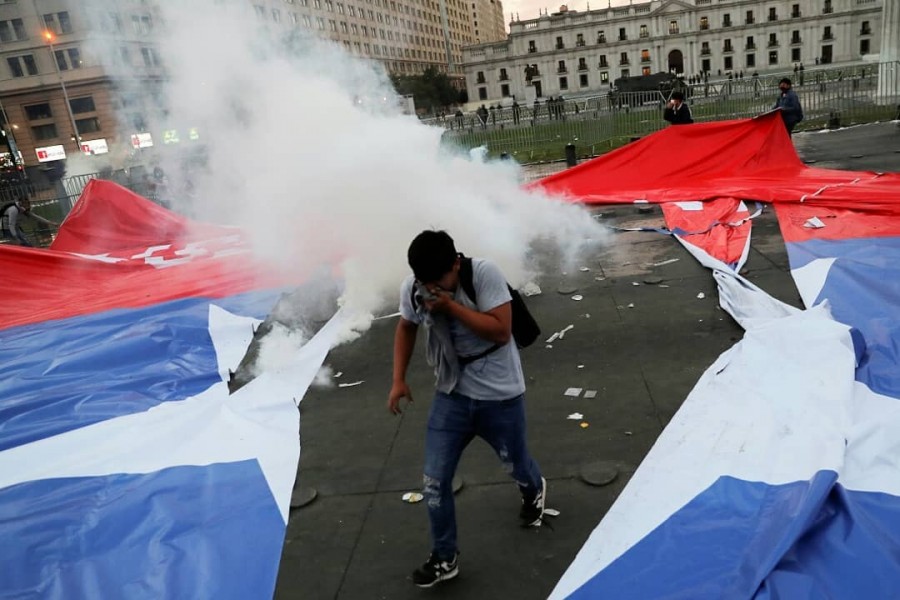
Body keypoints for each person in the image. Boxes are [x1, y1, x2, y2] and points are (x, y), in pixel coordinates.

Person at [388, 230, 546, 589]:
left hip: (500, 394)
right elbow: (405, 327)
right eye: (423, 282)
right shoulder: (415, 288)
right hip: (452, 393)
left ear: (455, 265)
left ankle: (532, 487)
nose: (430, 288)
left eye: (437, 281)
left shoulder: (484, 274)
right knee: (434, 479)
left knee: (516, 463)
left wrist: (451, 307)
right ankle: (444, 556)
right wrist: (398, 380)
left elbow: (501, 331)